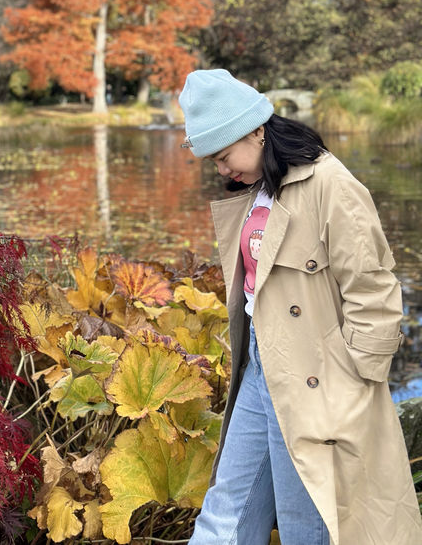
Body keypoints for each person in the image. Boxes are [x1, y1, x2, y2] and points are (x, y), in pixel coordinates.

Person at [178, 69, 422, 545]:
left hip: (319, 373)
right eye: (213, 161)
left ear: (256, 130)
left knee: (305, 523)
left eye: (224, 156)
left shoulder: (330, 183)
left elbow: (373, 289)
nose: (222, 170)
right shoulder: (259, 188)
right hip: (259, 365)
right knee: (225, 511)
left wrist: (353, 381)